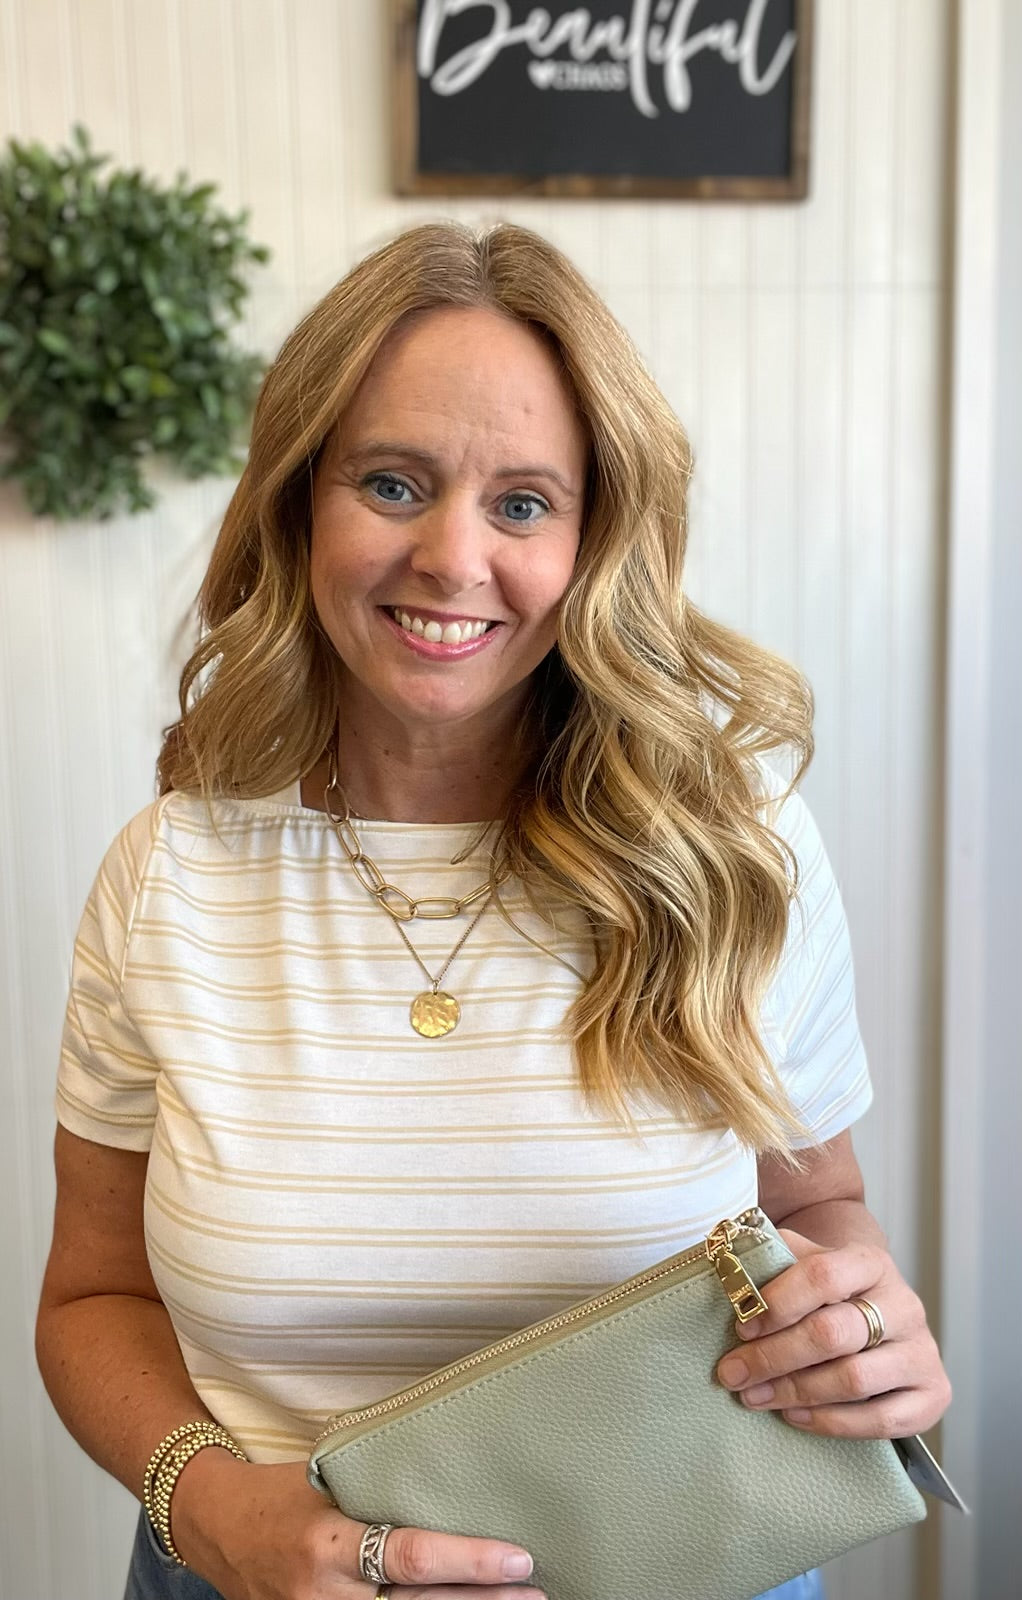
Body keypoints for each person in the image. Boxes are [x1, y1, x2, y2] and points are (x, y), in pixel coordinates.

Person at [36, 221, 950, 1600]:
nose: (453, 558)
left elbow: (816, 1203)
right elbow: (91, 1297)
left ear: (597, 540)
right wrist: (208, 1508)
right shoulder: (170, 874)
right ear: (298, 501)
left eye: (524, 504)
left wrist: (865, 1321)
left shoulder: (731, 848)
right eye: (391, 483)